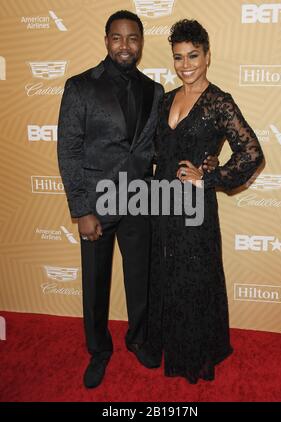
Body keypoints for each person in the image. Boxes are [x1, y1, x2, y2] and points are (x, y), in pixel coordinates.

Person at [58, 10, 218, 389]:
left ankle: (138, 338)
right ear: (107, 40)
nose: (125, 45)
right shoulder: (80, 86)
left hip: (139, 200)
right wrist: (81, 209)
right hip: (96, 204)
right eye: (117, 37)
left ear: (141, 43)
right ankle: (99, 349)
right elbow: (68, 150)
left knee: (140, 278)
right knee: (95, 281)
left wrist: (206, 160)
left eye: (133, 38)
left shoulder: (154, 91)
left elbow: (165, 144)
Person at [145, 19, 264, 384]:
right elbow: (154, 150)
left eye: (193, 55)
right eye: (179, 57)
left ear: (207, 56)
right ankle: (169, 346)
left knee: (195, 280)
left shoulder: (219, 102)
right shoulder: (166, 98)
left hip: (194, 209)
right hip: (161, 205)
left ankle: (196, 356)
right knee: (167, 278)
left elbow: (251, 153)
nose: (186, 65)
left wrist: (210, 176)